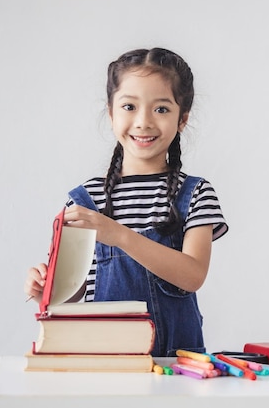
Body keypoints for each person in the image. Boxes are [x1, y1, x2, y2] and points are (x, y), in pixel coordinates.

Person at [23, 48, 228, 357]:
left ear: (182, 118)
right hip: (105, 362)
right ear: (111, 113)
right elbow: (71, 297)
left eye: (161, 109)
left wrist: (118, 235)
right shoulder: (85, 200)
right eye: (129, 106)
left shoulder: (196, 193)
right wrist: (46, 292)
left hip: (177, 365)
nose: (143, 122)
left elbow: (192, 275)